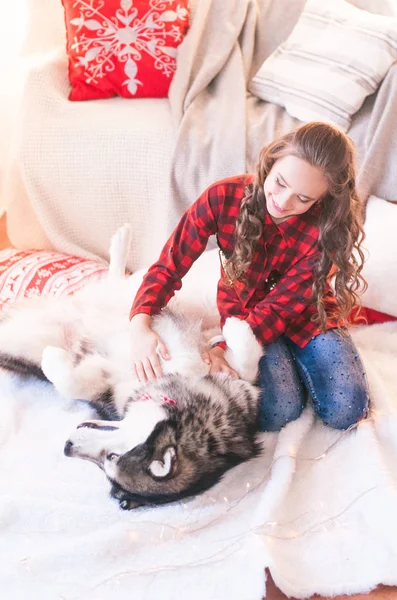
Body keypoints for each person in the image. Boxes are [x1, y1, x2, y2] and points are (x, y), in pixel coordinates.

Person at [129, 122, 370, 432]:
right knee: (276, 412)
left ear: (322, 199)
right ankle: (289, 368)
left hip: (306, 313)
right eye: (280, 183)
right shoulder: (223, 197)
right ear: (271, 162)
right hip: (243, 317)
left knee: (347, 410)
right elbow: (169, 265)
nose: (283, 202)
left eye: (304, 198)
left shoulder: (328, 229)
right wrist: (140, 323)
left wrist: (224, 349)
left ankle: (302, 361)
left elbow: (281, 308)